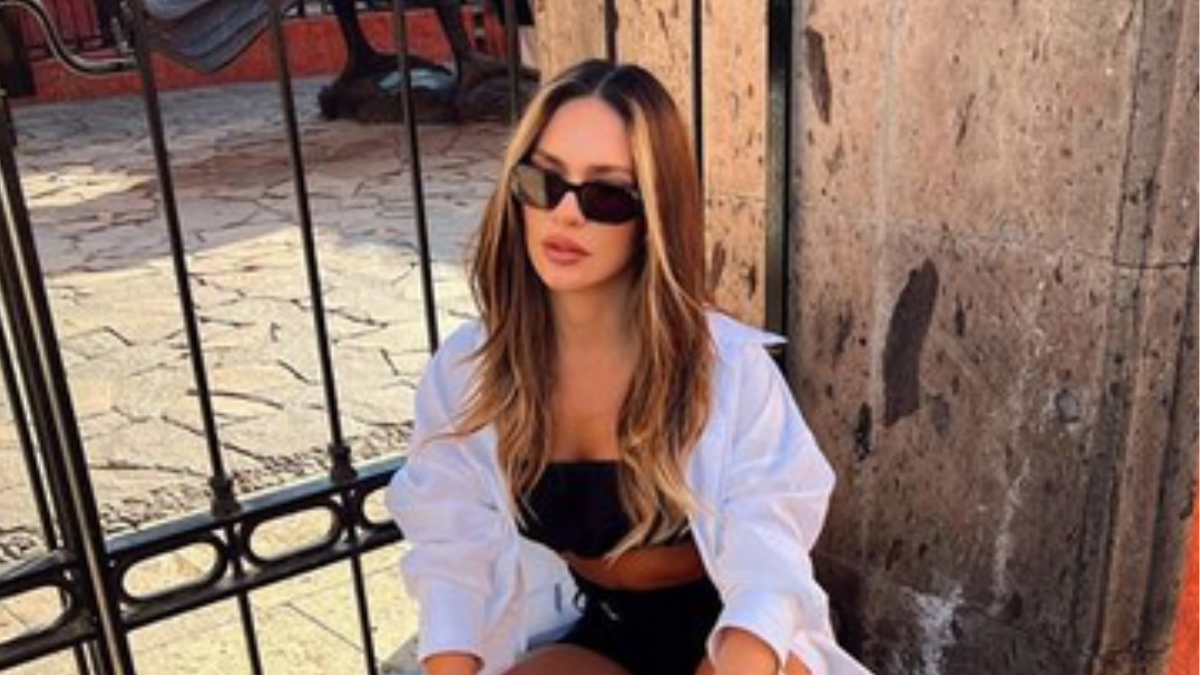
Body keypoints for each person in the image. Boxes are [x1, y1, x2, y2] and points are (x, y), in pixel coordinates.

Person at [386, 59, 872, 675]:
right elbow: (450, 548)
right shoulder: (470, 368)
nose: (566, 214)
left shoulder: (724, 370)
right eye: (543, 181)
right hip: (600, 633)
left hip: (735, 635)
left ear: (653, 216)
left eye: (606, 194)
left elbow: (767, 561)